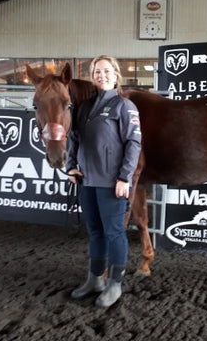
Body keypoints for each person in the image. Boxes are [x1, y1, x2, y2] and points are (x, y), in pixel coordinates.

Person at [66, 55, 142, 308]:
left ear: (116, 74)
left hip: (112, 183)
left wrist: (124, 177)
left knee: (114, 232)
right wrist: (70, 166)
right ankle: (94, 280)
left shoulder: (124, 107)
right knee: (96, 232)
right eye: (97, 72)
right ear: (93, 76)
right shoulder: (84, 107)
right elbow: (73, 138)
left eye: (107, 71)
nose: (102, 75)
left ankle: (114, 285)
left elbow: (134, 144)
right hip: (87, 181)